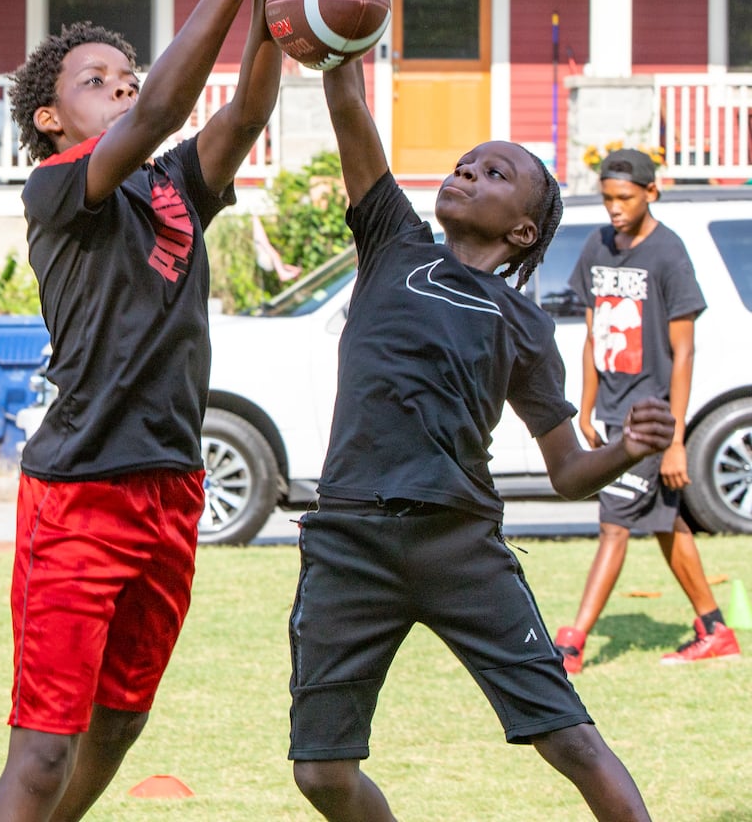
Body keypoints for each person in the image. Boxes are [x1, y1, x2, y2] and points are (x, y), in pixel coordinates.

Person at [0, 0, 370, 822]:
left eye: (126, 70)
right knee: (43, 748)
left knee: (120, 721)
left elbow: (238, 117)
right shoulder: (58, 189)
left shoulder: (171, 187)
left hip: (171, 484)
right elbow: (159, 109)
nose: (118, 82)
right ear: (50, 118)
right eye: (94, 80)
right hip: (80, 491)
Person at [286, 59, 678, 822]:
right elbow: (349, 108)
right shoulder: (393, 244)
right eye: (467, 160)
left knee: (571, 743)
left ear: (522, 229)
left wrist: (629, 446)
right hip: (349, 541)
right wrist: (329, 14)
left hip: (458, 544)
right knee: (321, 775)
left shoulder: (524, 323)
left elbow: (567, 471)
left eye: (495, 172)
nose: (468, 167)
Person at [554, 149, 741, 674]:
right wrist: (585, 408)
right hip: (612, 413)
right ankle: (714, 629)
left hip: (651, 418)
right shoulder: (596, 247)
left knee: (614, 523)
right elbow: (593, 336)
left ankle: (572, 644)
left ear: (650, 193)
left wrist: (676, 437)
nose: (614, 208)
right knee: (665, 522)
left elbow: (685, 352)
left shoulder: (668, 254)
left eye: (625, 198)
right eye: (607, 198)